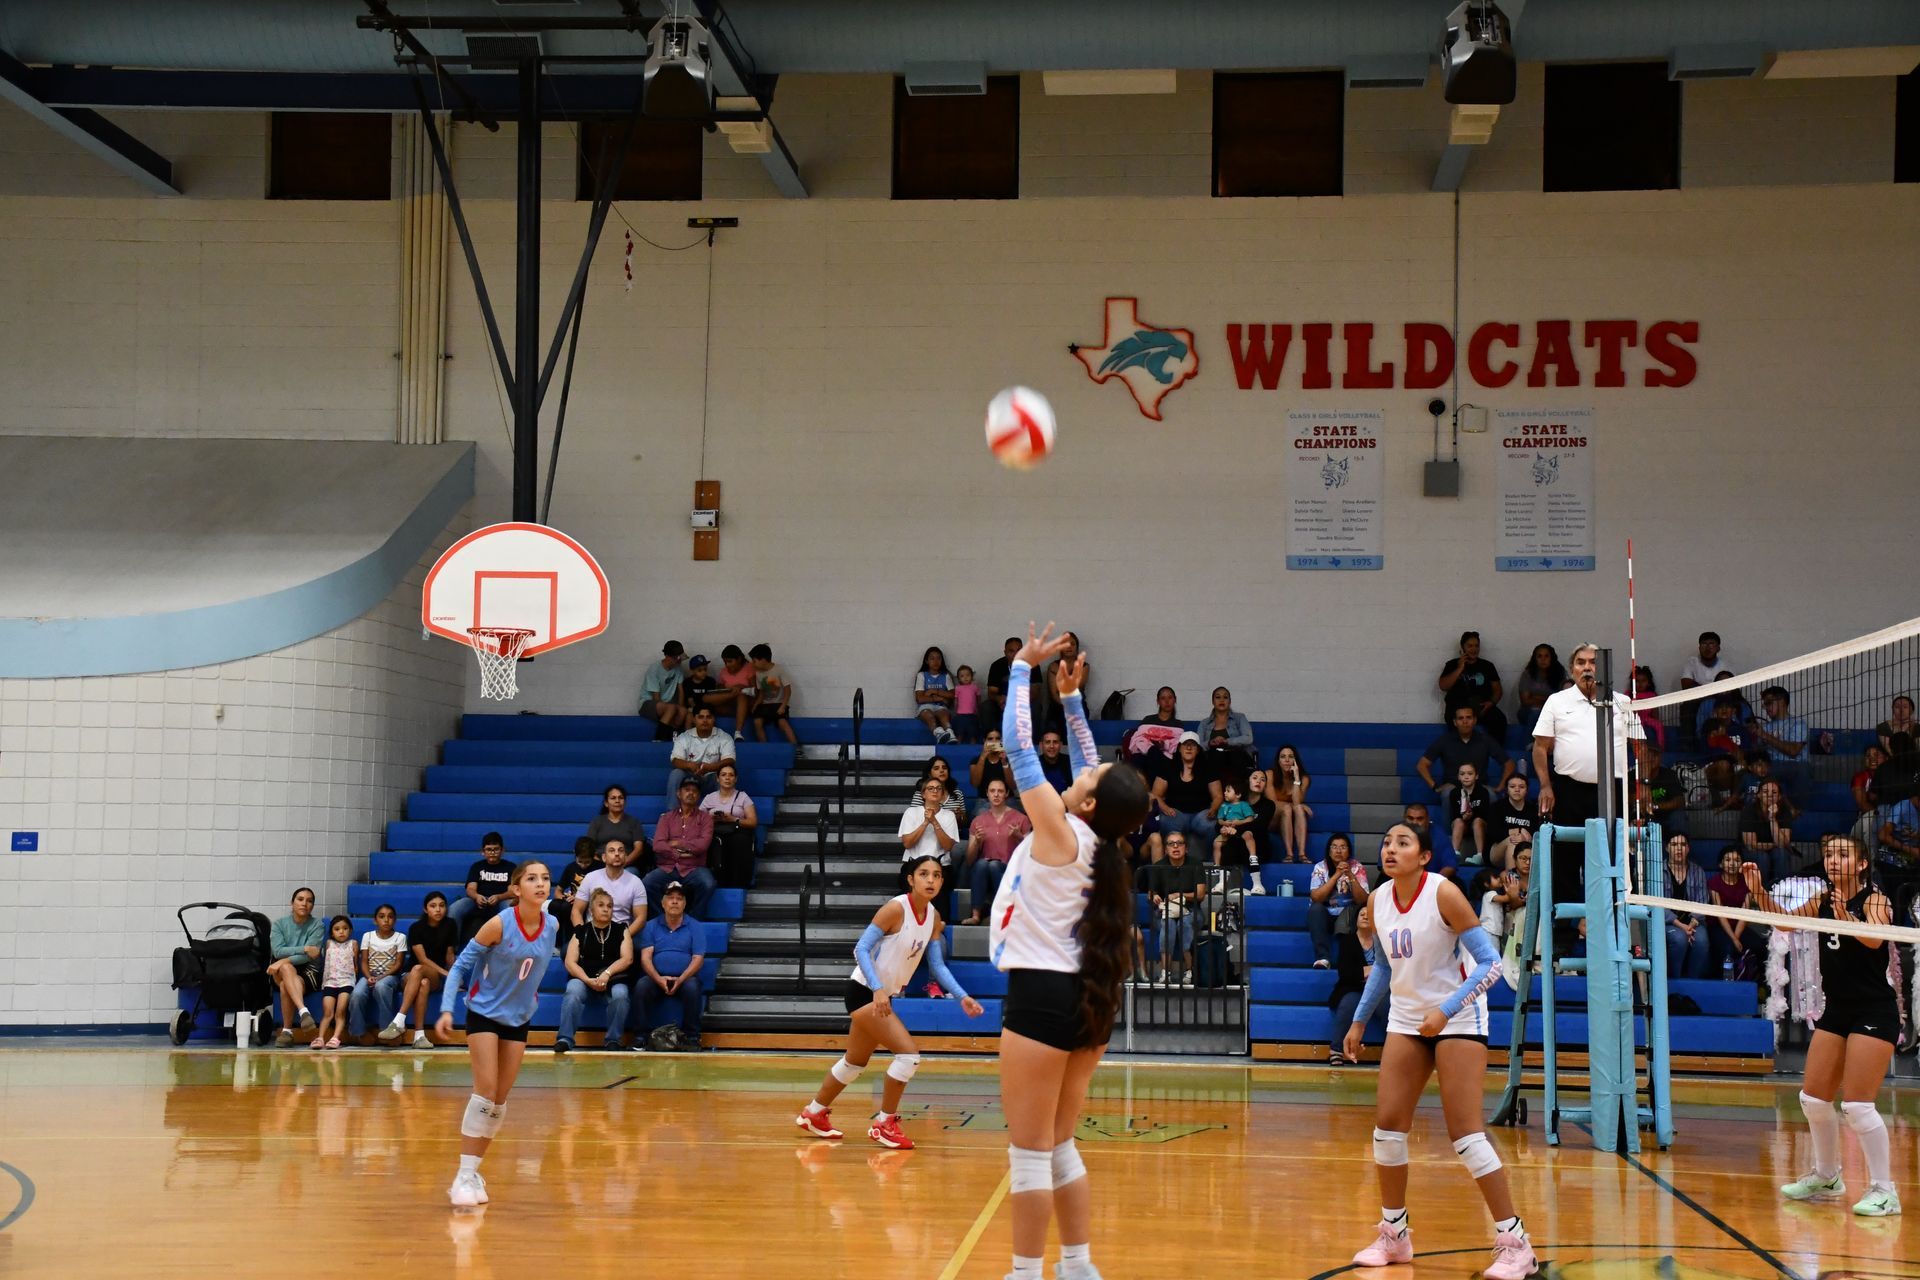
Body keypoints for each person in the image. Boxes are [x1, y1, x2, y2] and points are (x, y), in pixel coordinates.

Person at [988, 625, 1150, 1280]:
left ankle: (1027, 1274)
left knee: (1028, 1155)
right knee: (1058, 1147)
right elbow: (1094, 768)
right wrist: (1075, 701)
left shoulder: (1060, 833)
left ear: (1086, 799)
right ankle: (1077, 1266)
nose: (1086, 767)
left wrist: (1022, 672)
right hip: (1087, 1002)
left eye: (1089, 776)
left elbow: (1020, 750)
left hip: (1042, 997)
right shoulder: (1100, 841)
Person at [1345, 822, 1535, 1276]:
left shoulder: (1444, 894)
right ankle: (1395, 1235)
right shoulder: (1377, 900)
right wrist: (1358, 1021)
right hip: (1407, 1020)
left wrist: (1446, 1011)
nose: (1391, 848)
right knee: (1387, 1131)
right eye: (1387, 841)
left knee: (1466, 1136)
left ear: (1425, 856)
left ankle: (1516, 1243)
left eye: (1402, 842)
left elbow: (1490, 966)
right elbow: (1384, 971)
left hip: (1460, 1018)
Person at [1740, 836, 1902, 1217]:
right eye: (1828, 854)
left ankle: (1884, 1190)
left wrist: (1844, 911)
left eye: (1842, 855)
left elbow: (1873, 939)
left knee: (1859, 1107)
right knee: (1813, 1100)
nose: (1832, 860)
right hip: (1838, 1009)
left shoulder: (1875, 900)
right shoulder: (1823, 899)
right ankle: (1828, 1175)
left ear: (1862, 864)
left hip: (1874, 1011)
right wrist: (1760, 893)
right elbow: (1786, 923)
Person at [796, 856, 983, 1149]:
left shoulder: (933, 917)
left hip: (882, 996)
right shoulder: (896, 908)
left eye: (936, 875)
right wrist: (878, 988)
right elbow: (860, 948)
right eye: (923, 874)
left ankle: (814, 1113)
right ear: (911, 879)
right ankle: (884, 1123)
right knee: (908, 1056)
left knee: (854, 1063)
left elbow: (937, 966)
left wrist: (963, 996)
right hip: (864, 991)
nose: (931, 880)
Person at [436, 860, 557, 1207]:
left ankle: (474, 1171)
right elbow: (460, 965)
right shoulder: (498, 923)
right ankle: (462, 1173)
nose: (540, 884)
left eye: (545, 879)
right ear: (516, 889)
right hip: (484, 1012)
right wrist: (447, 1009)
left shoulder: (553, 925)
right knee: (485, 1092)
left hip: (518, 1018)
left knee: (500, 1101)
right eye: (532, 878)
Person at [1532, 643, 1646, 927]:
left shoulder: (1622, 702)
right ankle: (1563, 934)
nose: (1587, 667)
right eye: (1581, 662)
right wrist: (1546, 785)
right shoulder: (1557, 702)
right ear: (1572, 668)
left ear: (1603, 667)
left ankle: (1614, 926)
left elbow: (1642, 748)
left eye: (1593, 662)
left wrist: (1640, 785)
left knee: (1613, 859)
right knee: (1565, 861)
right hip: (1569, 790)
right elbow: (1540, 747)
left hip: (1613, 791)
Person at [554, 888, 635, 1055]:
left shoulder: (622, 929)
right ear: (591, 910)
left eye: (610, 906)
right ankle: (565, 1039)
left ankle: (613, 1039)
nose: (606, 909)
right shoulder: (581, 931)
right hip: (585, 979)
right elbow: (570, 962)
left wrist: (607, 974)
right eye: (601, 905)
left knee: (621, 994)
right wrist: (587, 979)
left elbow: (627, 959)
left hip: (613, 979)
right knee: (573, 990)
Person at [634, 881, 712, 1051]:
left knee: (692, 987)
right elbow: (645, 958)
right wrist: (659, 979)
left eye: (679, 898)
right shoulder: (651, 926)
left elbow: (698, 959)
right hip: (656, 977)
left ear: (685, 904)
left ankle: (691, 1037)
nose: (675, 901)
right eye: (670, 898)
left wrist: (680, 979)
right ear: (663, 903)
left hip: (685, 978)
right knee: (642, 985)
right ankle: (640, 1037)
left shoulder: (695, 926)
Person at [963, 779, 1031, 924]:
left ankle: (1001, 912)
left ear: (1006, 794)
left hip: (1010, 867)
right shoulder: (978, 821)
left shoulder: (1021, 819)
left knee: (994, 866)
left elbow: (1031, 853)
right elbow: (969, 860)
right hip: (984, 868)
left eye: (1000, 791)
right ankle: (976, 915)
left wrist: (1018, 836)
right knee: (981, 864)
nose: (996, 795)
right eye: (992, 791)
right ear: (987, 794)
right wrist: (977, 842)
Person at [648, 779, 718, 919]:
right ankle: (663, 919)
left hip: (694, 867)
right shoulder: (666, 818)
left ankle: (692, 919)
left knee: (708, 883)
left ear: (699, 796)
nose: (691, 793)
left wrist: (677, 843)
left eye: (694, 791)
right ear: (678, 794)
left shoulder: (705, 819)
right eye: (687, 790)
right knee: (646, 883)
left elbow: (702, 845)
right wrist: (677, 854)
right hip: (668, 866)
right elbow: (658, 844)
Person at [1147, 831, 1206, 984]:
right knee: (1168, 924)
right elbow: (1151, 892)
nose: (1175, 847)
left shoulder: (1195, 865)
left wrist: (1180, 895)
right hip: (1166, 910)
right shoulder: (1159, 866)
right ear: (1165, 849)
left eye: (1179, 843)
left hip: (1191, 910)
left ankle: (1189, 971)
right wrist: (1154, 896)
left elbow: (1200, 895)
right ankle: (1165, 972)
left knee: (1185, 923)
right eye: (1171, 844)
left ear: (1186, 848)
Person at [266, 887, 323, 1046]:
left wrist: (283, 960)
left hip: (308, 971)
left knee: (286, 983)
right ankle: (303, 1011)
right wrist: (304, 948)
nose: (304, 903)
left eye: (309, 901)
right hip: (278, 970)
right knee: (285, 969)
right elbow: (278, 951)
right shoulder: (279, 924)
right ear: (292, 903)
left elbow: (309, 957)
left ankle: (287, 1031)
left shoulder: (317, 925)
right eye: (300, 899)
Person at [1418, 705, 1512, 801]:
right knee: (1446, 795)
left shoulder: (1486, 740)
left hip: (1479, 786)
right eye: (1460, 718)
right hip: (1453, 786)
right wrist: (1434, 786)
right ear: (1455, 722)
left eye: (1468, 717)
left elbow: (1509, 764)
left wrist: (1501, 786)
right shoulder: (1444, 740)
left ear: (1475, 720)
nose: (1465, 721)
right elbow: (1422, 765)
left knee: (1492, 796)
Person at [403, 891, 459, 1048]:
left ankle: (399, 1020)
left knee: (423, 974)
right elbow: (422, 959)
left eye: (441, 906)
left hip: (435, 976)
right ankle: (419, 1035)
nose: (438, 910)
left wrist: (453, 979)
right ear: (425, 909)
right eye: (433, 906)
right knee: (422, 980)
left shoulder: (450, 925)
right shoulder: (416, 928)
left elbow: (450, 955)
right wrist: (448, 974)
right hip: (410, 975)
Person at [899, 776, 960, 920]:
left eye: (939, 788)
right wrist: (925, 822)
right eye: (931, 788)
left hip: (940, 866)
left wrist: (935, 822)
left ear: (943, 794)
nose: (935, 791)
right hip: (913, 865)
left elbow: (947, 846)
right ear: (923, 794)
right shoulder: (911, 812)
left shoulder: (949, 815)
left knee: (940, 911)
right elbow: (907, 843)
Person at [1152, 732, 1221, 857]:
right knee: (1164, 822)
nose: (1189, 748)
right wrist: (1165, 808)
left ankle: (1213, 864)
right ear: (1179, 748)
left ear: (1198, 750)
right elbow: (1155, 795)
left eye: (1193, 745)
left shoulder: (1208, 768)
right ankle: (1170, 864)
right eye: (1185, 745)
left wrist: (1213, 808)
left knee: (1213, 825)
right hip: (1175, 814)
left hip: (1201, 815)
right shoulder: (1168, 766)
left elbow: (1218, 796)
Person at [1308, 833, 1369, 969]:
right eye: (1334, 847)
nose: (1338, 850)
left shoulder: (1356, 867)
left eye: (1343, 847)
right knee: (1315, 909)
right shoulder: (1320, 867)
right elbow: (1316, 897)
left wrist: (1350, 875)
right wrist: (1336, 875)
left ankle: (1346, 961)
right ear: (1329, 851)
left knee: (1353, 910)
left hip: (1347, 916)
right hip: (1325, 916)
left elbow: (1363, 900)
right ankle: (1323, 958)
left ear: (1349, 851)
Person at [352, 903, 410, 1044]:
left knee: (381, 987)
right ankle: (359, 1032)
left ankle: (388, 1030)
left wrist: (381, 977)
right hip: (369, 975)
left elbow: (398, 964)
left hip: (390, 976)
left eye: (390, 917)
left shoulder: (400, 937)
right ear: (375, 920)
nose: (386, 920)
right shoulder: (368, 936)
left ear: (395, 920)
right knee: (357, 994)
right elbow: (364, 961)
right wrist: (368, 977)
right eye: (382, 917)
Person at [1438, 630, 1507, 744]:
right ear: (1462, 647)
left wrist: (1491, 702)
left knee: (1499, 720)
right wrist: (1460, 668)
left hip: (1481, 706)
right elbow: (1443, 686)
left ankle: (1493, 753)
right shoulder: (1452, 664)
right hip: (1457, 707)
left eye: (1476, 646)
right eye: (1470, 646)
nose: (1474, 649)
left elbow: (1498, 690)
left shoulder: (1487, 666)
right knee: (1455, 720)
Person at [1705, 846, 1763, 978]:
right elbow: (1720, 914)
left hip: (1739, 927)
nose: (1732, 863)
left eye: (1737, 860)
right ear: (1720, 864)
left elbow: (1745, 913)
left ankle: (1758, 983)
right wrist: (1733, 939)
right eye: (1728, 860)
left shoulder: (1747, 883)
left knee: (1760, 946)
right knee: (1727, 949)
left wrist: (1736, 937)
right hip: (1718, 926)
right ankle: (1726, 983)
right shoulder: (1714, 883)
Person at [1660, 833, 1712, 980]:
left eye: (1683, 845)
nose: (1679, 849)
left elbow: (1702, 902)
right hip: (1669, 922)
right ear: (1667, 848)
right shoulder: (1658, 871)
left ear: (1688, 849)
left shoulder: (1698, 871)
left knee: (1701, 941)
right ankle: (1675, 981)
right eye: (1674, 845)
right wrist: (1682, 927)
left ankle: (1692, 982)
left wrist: (1691, 925)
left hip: (1694, 922)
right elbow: (1657, 904)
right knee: (1679, 939)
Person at [700, 762, 759, 889]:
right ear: (717, 778)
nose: (727, 778)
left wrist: (733, 819)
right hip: (716, 831)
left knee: (739, 840)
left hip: (737, 832)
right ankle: (715, 880)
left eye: (731, 775)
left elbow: (753, 822)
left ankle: (739, 884)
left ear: (736, 779)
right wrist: (711, 819)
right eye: (723, 775)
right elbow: (698, 821)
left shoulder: (743, 797)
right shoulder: (709, 798)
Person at [1748, 685, 1811, 803]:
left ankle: (1798, 810)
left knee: (1801, 770)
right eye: (1764, 704)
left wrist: (1766, 736)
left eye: (1769, 703)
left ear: (1782, 701)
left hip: (1794, 765)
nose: (1766, 708)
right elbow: (1758, 753)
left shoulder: (1798, 724)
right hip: (1770, 766)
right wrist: (1753, 736)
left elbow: (1794, 751)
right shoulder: (1765, 727)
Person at [574, 839, 648, 935]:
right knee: (565, 950)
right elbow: (576, 911)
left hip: (621, 934)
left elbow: (641, 918)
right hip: (592, 933)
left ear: (625, 857)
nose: (617, 854)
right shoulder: (590, 877)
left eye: (621, 851)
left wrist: (625, 937)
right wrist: (583, 934)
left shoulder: (636, 882)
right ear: (604, 857)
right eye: (612, 851)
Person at [451, 834, 516, 943]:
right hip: (477, 901)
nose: (492, 852)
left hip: (501, 901)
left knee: (510, 908)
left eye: (496, 849)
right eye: (489, 850)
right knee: (455, 909)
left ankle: (509, 947)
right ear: (483, 851)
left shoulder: (510, 867)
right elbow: (470, 889)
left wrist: (499, 897)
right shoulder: (477, 866)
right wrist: (477, 896)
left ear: (502, 850)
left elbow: (512, 892)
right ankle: (452, 947)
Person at [667, 706, 736, 803]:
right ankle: (672, 813)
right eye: (701, 717)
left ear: (714, 719)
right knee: (676, 773)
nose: (705, 720)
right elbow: (675, 760)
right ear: (694, 719)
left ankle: (724, 813)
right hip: (691, 777)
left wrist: (711, 767)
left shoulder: (724, 737)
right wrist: (690, 765)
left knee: (726, 774)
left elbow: (730, 760)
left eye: (708, 717)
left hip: (713, 777)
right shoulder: (684, 737)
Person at [1740, 778, 1800, 884]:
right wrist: (1774, 845)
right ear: (1758, 795)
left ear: (1779, 796)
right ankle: (1762, 893)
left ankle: (1781, 892)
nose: (1770, 795)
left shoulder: (1784, 811)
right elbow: (1751, 844)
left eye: (1774, 792)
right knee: (1763, 857)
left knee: (1781, 854)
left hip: (1774, 850)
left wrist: (1772, 819)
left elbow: (1782, 844)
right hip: (1751, 851)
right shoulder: (1749, 810)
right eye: (1765, 792)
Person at [312, 915, 357, 1051]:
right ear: (331, 932)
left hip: (346, 981)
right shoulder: (328, 944)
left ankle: (336, 1037)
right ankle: (320, 1038)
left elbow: (355, 965)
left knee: (340, 1011)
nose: (341, 932)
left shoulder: (353, 944)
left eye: (345, 928)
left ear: (350, 930)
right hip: (330, 982)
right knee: (327, 1012)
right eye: (337, 929)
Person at [551, 836, 602, 947]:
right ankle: (556, 943)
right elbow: (558, 891)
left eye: (587, 862)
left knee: (568, 908)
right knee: (554, 905)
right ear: (575, 855)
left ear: (593, 856)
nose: (583, 865)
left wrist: (581, 899)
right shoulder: (571, 868)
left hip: (589, 903)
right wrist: (565, 897)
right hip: (572, 901)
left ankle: (571, 941)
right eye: (580, 862)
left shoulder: (600, 869)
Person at [1268, 745, 1313, 865]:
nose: (1287, 760)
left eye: (1290, 757)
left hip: (1290, 819)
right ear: (1278, 761)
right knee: (1289, 808)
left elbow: (1297, 802)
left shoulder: (1304, 778)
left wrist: (1297, 778)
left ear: (1295, 760)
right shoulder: (1270, 775)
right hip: (1272, 818)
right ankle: (1289, 854)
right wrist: (1296, 805)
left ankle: (1302, 854)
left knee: (1297, 808)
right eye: (1283, 757)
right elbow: (1272, 803)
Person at [1194, 686, 1255, 775]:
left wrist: (1227, 741)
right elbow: (1197, 746)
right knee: (1214, 756)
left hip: (1237, 758)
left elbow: (1248, 738)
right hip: (1213, 759)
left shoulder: (1239, 718)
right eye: (1218, 697)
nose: (1222, 700)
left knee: (1235, 756)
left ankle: (1235, 787)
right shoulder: (1204, 723)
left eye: (1225, 697)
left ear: (1230, 701)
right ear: (1213, 701)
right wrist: (1210, 743)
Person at [747, 642, 799, 745]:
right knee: (757, 722)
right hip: (766, 704)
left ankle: (796, 747)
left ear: (763, 660)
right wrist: (756, 705)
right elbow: (762, 693)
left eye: (754, 661)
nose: (752, 664)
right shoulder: (758, 673)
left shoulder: (778, 670)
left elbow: (788, 690)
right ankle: (764, 747)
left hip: (779, 704)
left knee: (782, 723)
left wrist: (783, 706)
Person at [1514, 644, 1566, 741]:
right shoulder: (1528, 674)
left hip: (1553, 712)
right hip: (1528, 711)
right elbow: (1525, 701)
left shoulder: (1559, 673)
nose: (1543, 659)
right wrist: (1549, 699)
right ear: (1535, 659)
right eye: (1539, 656)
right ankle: (1529, 744)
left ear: (1552, 658)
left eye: (1546, 656)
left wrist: (1535, 697)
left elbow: (1563, 699)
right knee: (1536, 712)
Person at [585, 785, 646, 868]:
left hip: (627, 866)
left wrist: (623, 863)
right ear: (606, 803)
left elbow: (638, 849)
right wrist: (603, 866)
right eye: (613, 798)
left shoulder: (634, 822)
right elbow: (589, 847)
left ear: (625, 802)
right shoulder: (597, 821)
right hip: (600, 866)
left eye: (620, 798)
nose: (617, 801)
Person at [1486, 775, 1536, 873]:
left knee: (1519, 844)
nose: (1517, 789)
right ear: (1507, 790)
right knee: (1513, 842)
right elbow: (1492, 833)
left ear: (1526, 790)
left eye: (1521, 787)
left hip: (1526, 851)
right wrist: (1518, 831)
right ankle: (1513, 884)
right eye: (1512, 786)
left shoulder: (1533, 810)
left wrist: (1524, 836)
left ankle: (1522, 883)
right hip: (1497, 852)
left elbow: (1536, 834)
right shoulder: (1497, 807)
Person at [637, 640, 689, 734]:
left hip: (668, 705)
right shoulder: (654, 669)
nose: (679, 660)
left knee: (683, 711)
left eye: (680, 657)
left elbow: (680, 690)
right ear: (667, 656)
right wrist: (670, 710)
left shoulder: (678, 668)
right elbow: (656, 697)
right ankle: (659, 737)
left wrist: (680, 708)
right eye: (676, 658)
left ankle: (672, 735)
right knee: (671, 708)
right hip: (648, 703)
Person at [1639, 742, 1687, 843]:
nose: (1651, 758)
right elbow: (1629, 799)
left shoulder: (1669, 775)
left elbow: (1679, 801)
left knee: (1678, 816)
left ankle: (1676, 847)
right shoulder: (1632, 774)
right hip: (1643, 816)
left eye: (1655, 755)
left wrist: (1655, 806)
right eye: (1647, 755)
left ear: (1660, 758)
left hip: (1666, 816)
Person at [1448, 763, 1494, 864]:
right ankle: (1454, 853)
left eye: (1470, 773)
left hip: (1478, 825)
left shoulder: (1483, 792)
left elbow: (1485, 814)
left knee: (1477, 821)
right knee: (1458, 822)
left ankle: (1480, 855)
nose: (1466, 776)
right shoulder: (1454, 793)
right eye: (1462, 774)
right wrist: (1463, 817)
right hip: (1462, 825)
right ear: (1458, 777)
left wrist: (1471, 815)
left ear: (1476, 776)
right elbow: (1454, 814)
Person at [1212, 778, 1259, 871]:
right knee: (1216, 843)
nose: (1225, 793)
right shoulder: (1223, 806)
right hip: (1227, 830)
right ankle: (1216, 865)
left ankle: (1253, 856)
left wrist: (1239, 822)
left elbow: (1250, 818)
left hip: (1241, 829)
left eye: (1228, 791)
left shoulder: (1244, 805)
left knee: (1248, 835)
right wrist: (1225, 823)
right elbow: (1219, 820)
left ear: (1238, 794)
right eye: (1225, 791)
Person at [914, 645, 959, 743]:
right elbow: (920, 698)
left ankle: (950, 734)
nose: (936, 661)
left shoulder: (946, 675)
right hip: (925, 707)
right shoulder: (922, 675)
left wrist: (934, 691)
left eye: (939, 658)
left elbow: (953, 694)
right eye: (932, 658)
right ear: (926, 661)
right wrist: (940, 698)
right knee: (929, 715)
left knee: (944, 715)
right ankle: (939, 734)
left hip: (941, 707)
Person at [909, 755, 969, 826]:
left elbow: (964, 822)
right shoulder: (921, 794)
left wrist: (960, 816)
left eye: (944, 768)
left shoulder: (957, 793)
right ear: (929, 774)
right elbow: (912, 819)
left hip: (951, 834)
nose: (941, 770)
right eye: (936, 768)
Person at [970, 728, 1018, 815]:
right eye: (990, 739)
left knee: (1014, 817)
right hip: (984, 801)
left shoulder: (1009, 760)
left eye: (997, 738)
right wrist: (983, 757)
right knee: (981, 814)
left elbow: (1013, 786)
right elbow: (975, 783)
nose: (994, 741)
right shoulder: (976, 761)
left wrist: (1004, 762)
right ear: (985, 741)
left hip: (1007, 799)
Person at [715, 644, 758, 734]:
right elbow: (719, 689)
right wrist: (726, 690)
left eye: (730, 661)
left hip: (747, 703)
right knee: (707, 700)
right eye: (725, 662)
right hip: (730, 703)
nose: (727, 665)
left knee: (741, 696)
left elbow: (755, 691)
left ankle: (738, 732)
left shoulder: (749, 668)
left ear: (739, 659)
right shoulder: (723, 671)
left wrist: (741, 687)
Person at [985, 636, 1021, 731]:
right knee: (987, 706)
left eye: (1018, 650)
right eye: (1011, 651)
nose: (1015, 654)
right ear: (1005, 652)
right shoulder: (997, 666)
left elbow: (1035, 691)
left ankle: (1032, 743)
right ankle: (992, 741)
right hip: (1002, 702)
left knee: (1036, 707)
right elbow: (991, 692)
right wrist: (999, 698)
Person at [952, 664, 982, 744]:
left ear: (972, 676)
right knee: (960, 731)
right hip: (960, 714)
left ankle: (973, 746)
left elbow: (978, 699)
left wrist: (978, 709)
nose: (965, 678)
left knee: (973, 731)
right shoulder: (958, 688)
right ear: (958, 678)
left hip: (972, 713)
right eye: (962, 676)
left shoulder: (975, 687)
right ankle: (958, 745)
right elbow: (956, 700)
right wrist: (955, 710)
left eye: (968, 675)